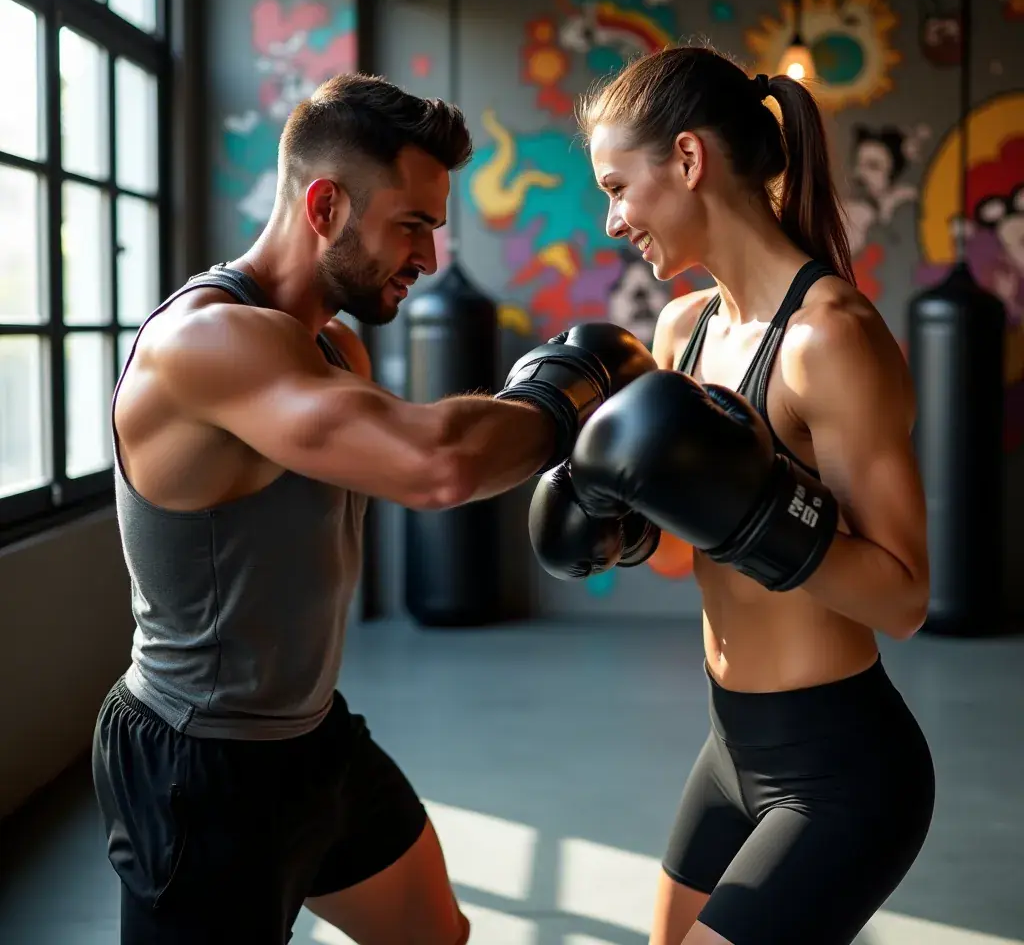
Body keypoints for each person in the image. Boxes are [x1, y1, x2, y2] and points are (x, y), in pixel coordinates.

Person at [91, 72, 657, 945]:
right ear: (325, 206)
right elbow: (436, 467)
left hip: (312, 736)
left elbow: (420, 456)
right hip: (199, 763)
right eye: (413, 227)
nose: (430, 260)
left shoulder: (334, 344)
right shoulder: (209, 344)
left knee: (438, 935)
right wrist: (573, 391)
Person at [528, 47, 935, 945]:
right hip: (730, 748)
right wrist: (622, 524)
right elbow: (689, 554)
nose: (611, 220)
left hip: (841, 769)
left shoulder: (831, 338)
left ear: (686, 159)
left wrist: (760, 515)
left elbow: (905, 596)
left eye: (617, 187)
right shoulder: (683, 328)